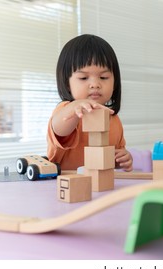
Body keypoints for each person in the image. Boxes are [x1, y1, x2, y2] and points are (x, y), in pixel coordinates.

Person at [47, 34, 133, 171]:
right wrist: (75, 106)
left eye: (104, 77)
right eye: (83, 78)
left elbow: (113, 158)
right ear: (67, 83)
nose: (95, 84)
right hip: (68, 185)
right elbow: (59, 129)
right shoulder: (67, 110)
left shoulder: (113, 119)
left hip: (100, 186)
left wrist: (122, 159)